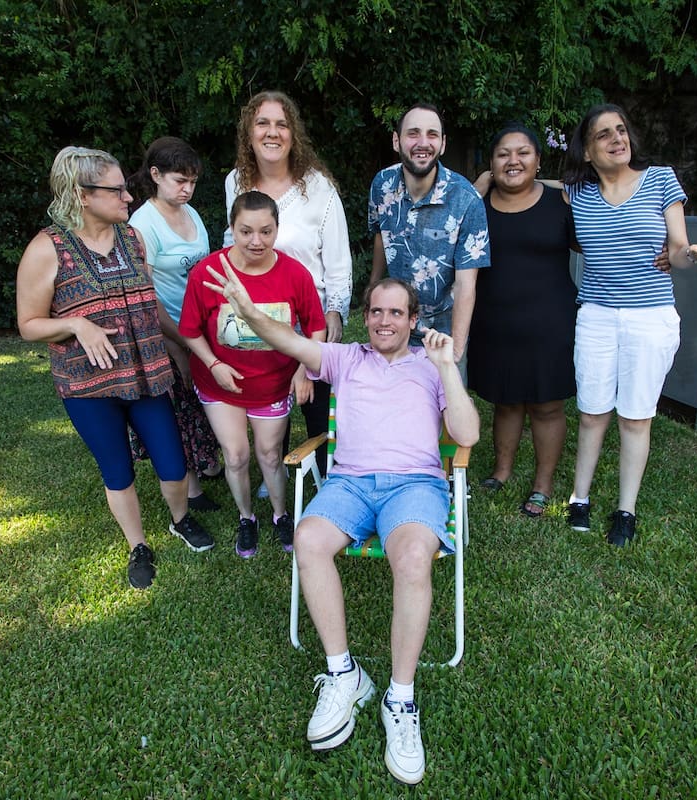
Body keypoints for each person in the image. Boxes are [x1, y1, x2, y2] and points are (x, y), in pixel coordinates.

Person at [202, 262, 479, 786]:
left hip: (414, 485)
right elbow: (286, 339)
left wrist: (447, 367)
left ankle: (400, 699)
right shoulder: (345, 359)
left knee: (414, 556)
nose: (383, 321)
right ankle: (342, 673)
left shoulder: (430, 365)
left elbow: (467, 433)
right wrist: (248, 312)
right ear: (365, 317)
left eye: (396, 312)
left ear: (414, 319)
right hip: (349, 483)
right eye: (376, 311)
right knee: (307, 538)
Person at [15, 146, 216, 588]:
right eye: (118, 190)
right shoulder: (48, 249)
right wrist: (74, 324)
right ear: (83, 195)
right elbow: (28, 324)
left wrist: (188, 344)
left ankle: (179, 519)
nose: (129, 198)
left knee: (172, 461)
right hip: (88, 386)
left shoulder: (132, 239)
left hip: (148, 373)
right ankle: (137, 545)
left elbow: (150, 304)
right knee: (117, 468)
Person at [561, 103, 697, 546]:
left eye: (621, 130)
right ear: (586, 151)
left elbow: (679, 251)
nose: (617, 139)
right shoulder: (576, 193)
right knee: (591, 413)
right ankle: (579, 498)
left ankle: (625, 511)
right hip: (598, 317)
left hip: (649, 316)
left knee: (635, 418)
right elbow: (524, 182)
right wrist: (488, 179)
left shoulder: (661, 179)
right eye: (603, 134)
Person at [179, 190, 326, 557]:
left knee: (270, 454)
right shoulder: (208, 272)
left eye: (265, 231)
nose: (256, 241)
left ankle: (280, 515)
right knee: (236, 454)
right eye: (246, 232)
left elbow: (316, 326)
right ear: (232, 229)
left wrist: (304, 370)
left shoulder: (294, 274)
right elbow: (190, 329)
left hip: (274, 383)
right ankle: (247, 519)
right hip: (220, 381)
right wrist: (214, 363)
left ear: (277, 230)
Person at [224, 90, 352, 474]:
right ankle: (274, 472)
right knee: (266, 395)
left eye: (281, 124)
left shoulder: (318, 188)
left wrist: (335, 312)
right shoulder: (236, 182)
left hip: (308, 316)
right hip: (257, 311)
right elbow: (232, 242)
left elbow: (339, 261)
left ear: (293, 134)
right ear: (249, 133)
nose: (272, 132)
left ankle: (330, 477)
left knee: (315, 402)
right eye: (262, 123)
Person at [467, 123, 579, 518]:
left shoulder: (561, 203)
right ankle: (502, 470)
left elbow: (594, 243)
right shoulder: (476, 205)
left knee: (547, 405)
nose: (513, 161)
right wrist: (479, 187)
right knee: (505, 401)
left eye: (523, 153)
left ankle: (542, 484)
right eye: (503, 154)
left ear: (538, 159)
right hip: (494, 322)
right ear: (491, 164)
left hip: (550, 323)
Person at [128, 136, 223, 512]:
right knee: (178, 407)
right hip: (166, 331)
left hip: (201, 326)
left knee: (203, 399)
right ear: (155, 175)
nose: (188, 189)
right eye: (179, 181)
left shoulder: (192, 213)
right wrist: (176, 342)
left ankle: (208, 460)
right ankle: (193, 489)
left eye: (193, 182)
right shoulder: (142, 224)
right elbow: (144, 295)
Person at [368, 102, 490, 366]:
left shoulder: (466, 200)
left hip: (440, 332)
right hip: (392, 325)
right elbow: (380, 233)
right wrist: (373, 287)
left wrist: (455, 352)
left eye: (432, 134)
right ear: (396, 140)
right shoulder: (381, 185)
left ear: (443, 144)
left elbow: (466, 284)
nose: (423, 142)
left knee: (443, 406)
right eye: (413, 133)